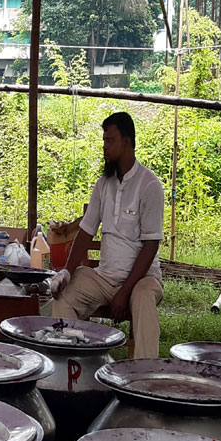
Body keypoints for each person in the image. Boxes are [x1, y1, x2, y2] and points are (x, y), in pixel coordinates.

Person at [51, 112, 164, 358]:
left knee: (143, 298)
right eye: (104, 141)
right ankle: (71, 364)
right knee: (64, 296)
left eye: (110, 141)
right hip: (104, 278)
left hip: (142, 279)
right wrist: (66, 272)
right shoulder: (103, 184)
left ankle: (145, 372)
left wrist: (124, 292)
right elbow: (85, 232)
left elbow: (151, 247)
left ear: (127, 142)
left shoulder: (150, 185)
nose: (104, 147)